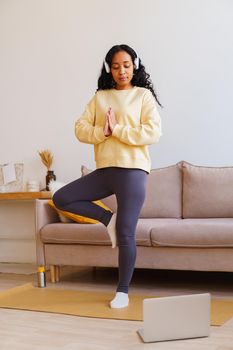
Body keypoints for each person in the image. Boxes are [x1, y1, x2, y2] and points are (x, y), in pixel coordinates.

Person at [53, 44, 162, 308]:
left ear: (134, 65)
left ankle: (122, 291)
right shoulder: (100, 97)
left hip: (133, 171)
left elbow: (152, 133)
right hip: (105, 170)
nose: (121, 71)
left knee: (126, 232)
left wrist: (118, 130)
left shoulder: (143, 96)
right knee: (62, 197)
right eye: (115, 66)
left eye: (126, 65)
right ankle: (106, 218)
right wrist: (102, 131)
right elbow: (80, 128)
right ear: (108, 69)